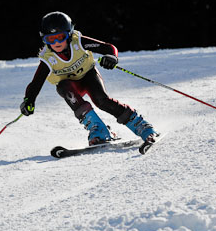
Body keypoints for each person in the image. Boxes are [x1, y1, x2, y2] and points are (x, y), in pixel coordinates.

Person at [20, 11, 158, 146]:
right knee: (63, 87)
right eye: (50, 39)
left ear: (69, 34)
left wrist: (112, 57)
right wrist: (29, 100)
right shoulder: (48, 58)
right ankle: (99, 130)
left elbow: (108, 48)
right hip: (72, 87)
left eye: (60, 37)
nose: (56, 42)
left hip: (89, 77)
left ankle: (141, 126)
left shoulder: (78, 42)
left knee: (101, 100)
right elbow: (36, 83)